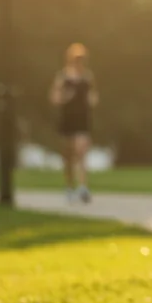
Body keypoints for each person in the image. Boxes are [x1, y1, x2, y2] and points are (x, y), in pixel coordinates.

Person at [49, 43, 99, 204]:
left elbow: (93, 97)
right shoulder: (63, 77)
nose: (79, 62)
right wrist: (66, 97)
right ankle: (69, 186)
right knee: (69, 156)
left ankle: (83, 187)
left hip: (82, 119)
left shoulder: (87, 77)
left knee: (82, 152)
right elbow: (54, 98)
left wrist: (91, 100)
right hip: (67, 119)